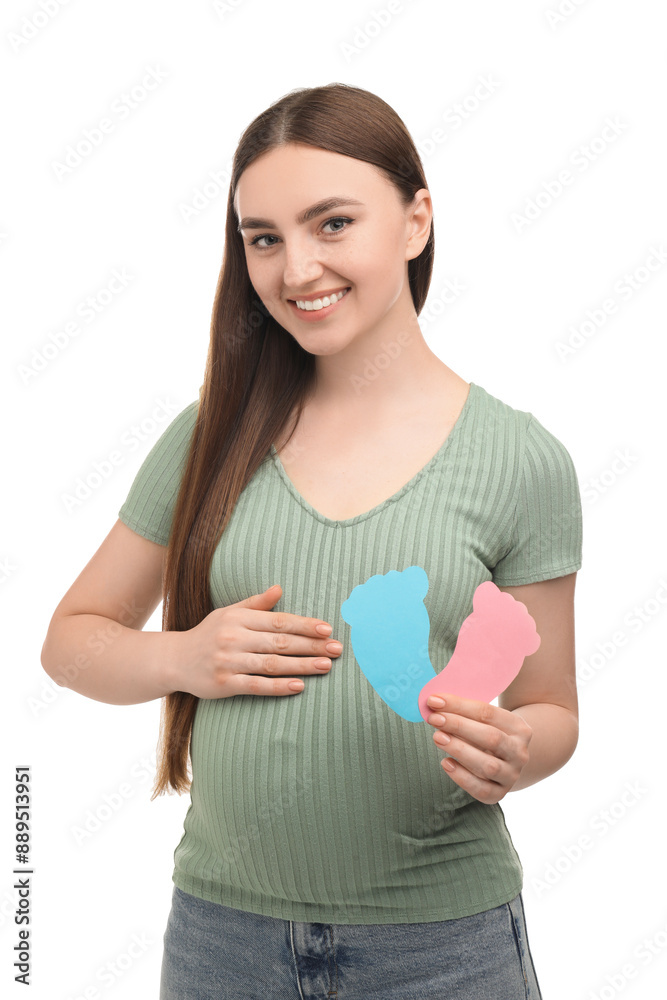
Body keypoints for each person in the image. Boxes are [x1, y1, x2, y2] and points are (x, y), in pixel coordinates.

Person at [41, 82, 582, 999]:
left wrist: (518, 749)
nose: (295, 270)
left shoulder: (519, 460)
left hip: (439, 949)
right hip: (223, 943)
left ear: (415, 222)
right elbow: (71, 642)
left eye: (332, 224)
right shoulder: (210, 435)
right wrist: (185, 656)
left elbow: (553, 709)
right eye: (263, 238)